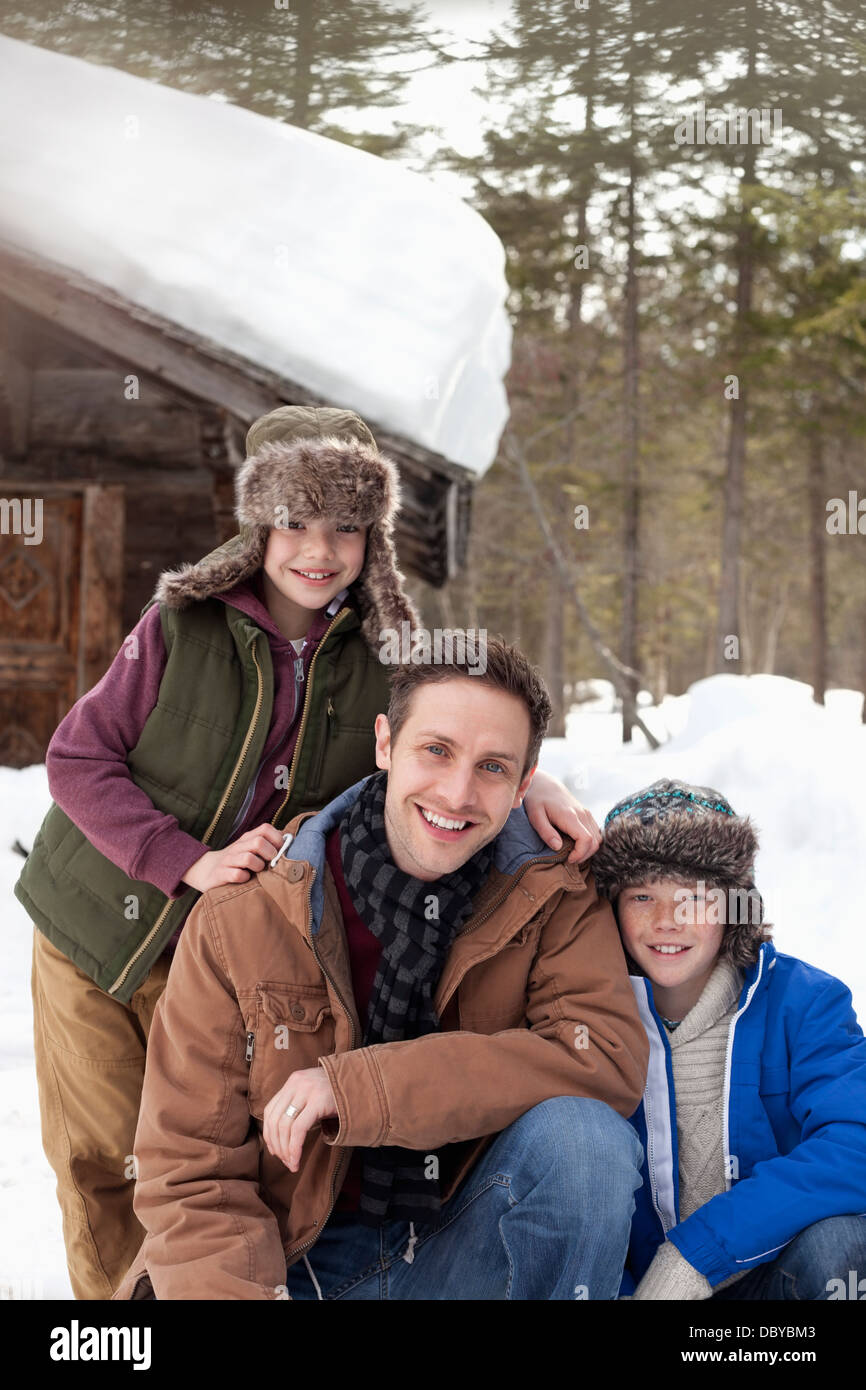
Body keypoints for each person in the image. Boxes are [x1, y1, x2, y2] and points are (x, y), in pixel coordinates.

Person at [16, 405, 599, 1301]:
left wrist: (538, 785)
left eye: (345, 526)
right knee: (98, 1157)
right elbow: (76, 758)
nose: (316, 549)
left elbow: (463, 721)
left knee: (178, 1152)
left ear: (374, 534)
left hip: (219, 948)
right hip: (98, 925)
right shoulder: (183, 624)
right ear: (260, 522)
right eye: (294, 520)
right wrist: (182, 858)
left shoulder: (393, 654)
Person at [113, 638, 648, 1301]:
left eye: (492, 766)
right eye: (436, 750)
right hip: (295, 1264)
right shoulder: (246, 913)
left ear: (523, 783)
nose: (456, 793)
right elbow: (192, 1168)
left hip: (466, 1246)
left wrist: (360, 1089)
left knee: (585, 1142)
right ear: (385, 744)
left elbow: (603, 1061)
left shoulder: (556, 893)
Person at [589, 777, 866, 1301]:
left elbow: (856, 1140)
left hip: (768, 1282)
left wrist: (697, 1254)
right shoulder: (587, 1016)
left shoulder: (804, 1001)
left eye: (694, 897)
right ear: (611, 908)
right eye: (642, 895)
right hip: (634, 1289)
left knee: (844, 1245)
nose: (667, 921)